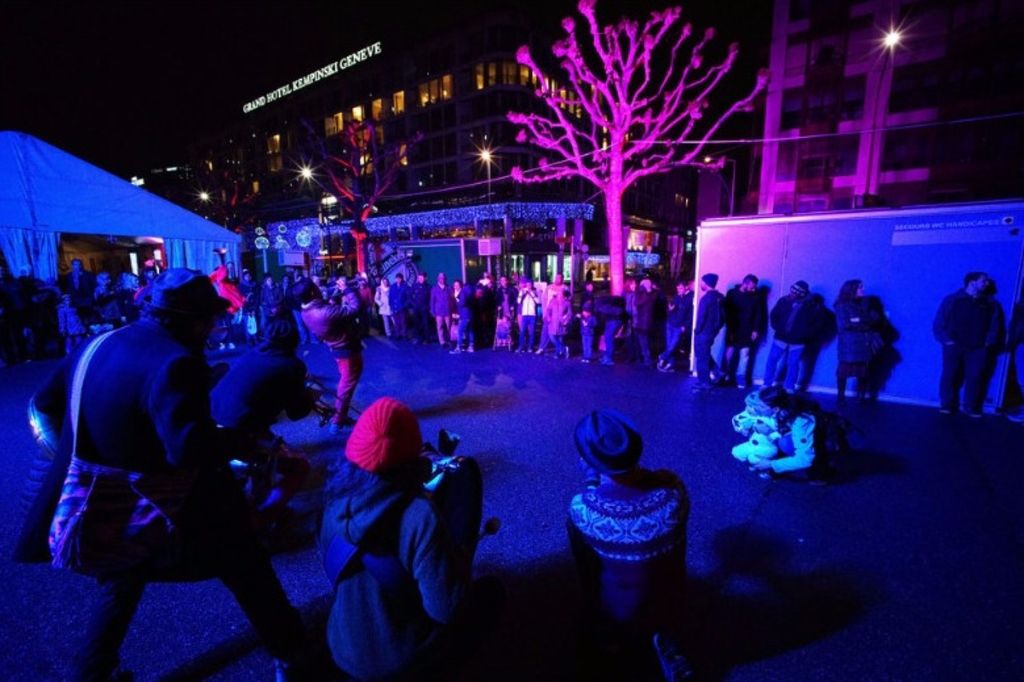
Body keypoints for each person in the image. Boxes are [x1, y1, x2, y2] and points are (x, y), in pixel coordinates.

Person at [13, 269, 311, 681]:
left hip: (96, 499)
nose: (212, 330)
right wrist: (244, 444)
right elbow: (186, 449)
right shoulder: (176, 361)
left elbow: (43, 405)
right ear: (190, 320)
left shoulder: (98, 342)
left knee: (122, 578)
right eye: (210, 320)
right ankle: (294, 654)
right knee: (247, 566)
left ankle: (92, 673)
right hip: (164, 498)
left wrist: (90, 452)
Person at [321, 397, 505, 680]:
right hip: (398, 663)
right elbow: (445, 610)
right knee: (492, 593)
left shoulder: (333, 499)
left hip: (341, 647)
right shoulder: (420, 515)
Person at [567, 410, 692, 681]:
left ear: (587, 459)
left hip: (620, 607)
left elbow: (586, 565)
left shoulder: (584, 509)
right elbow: (648, 482)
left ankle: (608, 644)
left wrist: (592, 478)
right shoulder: (673, 490)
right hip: (670, 595)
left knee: (590, 577)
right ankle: (666, 639)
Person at [210, 318, 314, 523]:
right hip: (239, 432)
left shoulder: (252, 353)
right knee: (299, 466)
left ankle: (259, 500)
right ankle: (263, 520)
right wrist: (310, 396)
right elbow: (296, 413)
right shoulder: (292, 365)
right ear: (294, 340)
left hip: (211, 424)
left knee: (266, 448)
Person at [933, 272, 1005, 417]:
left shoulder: (991, 304)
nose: (987, 284)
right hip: (954, 346)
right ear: (972, 282)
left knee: (975, 377)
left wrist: (987, 343)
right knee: (949, 375)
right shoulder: (952, 300)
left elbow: (995, 326)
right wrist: (946, 340)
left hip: (978, 348)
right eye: (983, 281)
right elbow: (939, 322)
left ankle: (970, 407)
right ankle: (946, 405)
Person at [297, 280, 365, 431]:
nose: (320, 288)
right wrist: (347, 289)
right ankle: (337, 420)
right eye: (317, 287)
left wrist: (332, 299)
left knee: (346, 382)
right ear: (313, 293)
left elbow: (328, 310)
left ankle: (339, 418)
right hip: (347, 350)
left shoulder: (305, 311)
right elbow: (356, 308)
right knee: (346, 386)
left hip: (338, 350)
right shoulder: (324, 313)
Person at [763, 280, 821, 393]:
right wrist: (777, 328)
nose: (792, 293)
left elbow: (815, 324)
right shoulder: (784, 300)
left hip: (798, 341)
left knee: (793, 364)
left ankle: (789, 387)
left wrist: (804, 335)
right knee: (772, 360)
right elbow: (774, 315)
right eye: (792, 290)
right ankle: (766, 383)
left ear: (802, 293)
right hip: (781, 337)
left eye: (795, 292)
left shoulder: (811, 306)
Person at [834, 279, 881, 404]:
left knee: (862, 371)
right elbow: (845, 325)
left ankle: (861, 396)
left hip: (862, 344)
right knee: (844, 371)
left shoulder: (864, 304)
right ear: (851, 290)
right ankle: (840, 397)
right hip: (849, 345)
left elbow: (875, 319)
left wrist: (858, 320)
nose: (863, 290)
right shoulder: (842, 306)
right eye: (860, 288)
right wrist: (862, 322)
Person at [723, 274, 766, 389]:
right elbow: (726, 310)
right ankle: (726, 375)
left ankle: (740, 377)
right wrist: (728, 325)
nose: (754, 289)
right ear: (744, 283)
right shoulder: (732, 293)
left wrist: (755, 330)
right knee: (729, 352)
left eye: (755, 287)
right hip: (733, 328)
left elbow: (758, 314)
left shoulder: (756, 296)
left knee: (744, 355)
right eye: (752, 286)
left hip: (747, 329)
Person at [692, 273, 725, 390]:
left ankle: (704, 382)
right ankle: (718, 372)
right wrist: (716, 329)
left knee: (701, 357)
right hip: (712, 332)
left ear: (706, 283)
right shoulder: (720, 297)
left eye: (702, 282)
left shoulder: (706, 299)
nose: (701, 284)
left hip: (703, 333)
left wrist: (697, 330)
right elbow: (723, 317)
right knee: (705, 355)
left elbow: (701, 317)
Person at [657, 281, 690, 373]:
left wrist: (685, 325)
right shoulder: (676, 297)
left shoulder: (690, 298)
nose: (678, 290)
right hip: (670, 323)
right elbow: (671, 309)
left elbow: (690, 314)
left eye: (680, 288)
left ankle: (662, 357)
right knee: (669, 345)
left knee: (673, 345)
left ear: (686, 287)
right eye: (677, 288)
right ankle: (671, 364)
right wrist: (670, 310)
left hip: (679, 325)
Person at [595, 292, 627, 366]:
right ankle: (607, 356)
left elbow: (602, 315)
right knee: (608, 338)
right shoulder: (612, 304)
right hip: (613, 320)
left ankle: (608, 358)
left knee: (609, 338)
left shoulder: (600, 306)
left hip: (612, 321)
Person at [430, 272, 456, 350]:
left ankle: (450, 340)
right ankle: (442, 342)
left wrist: (453, 309)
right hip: (438, 312)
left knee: (449, 327)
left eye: (444, 278)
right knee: (440, 327)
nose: (443, 279)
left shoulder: (449, 288)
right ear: (438, 279)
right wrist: (432, 311)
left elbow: (453, 299)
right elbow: (432, 301)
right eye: (441, 278)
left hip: (448, 311)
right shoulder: (434, 288)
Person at [451, 279, 476, 353]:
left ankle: (458, 348)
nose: (455, 286)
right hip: (469, 315)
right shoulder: (465, 292)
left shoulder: (462, 293)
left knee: (460, 331)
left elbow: (462, 303)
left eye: (457, 285)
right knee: (469, 330)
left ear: (460, 285)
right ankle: (471, 347)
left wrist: (457, 300)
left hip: (465, 315)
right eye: (454, 285)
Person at [516, 279, 540, 352]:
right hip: (524, 315)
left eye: (530, 285)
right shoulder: (522, 291)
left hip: (532, 315)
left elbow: (538, 302)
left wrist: (531, 293)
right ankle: (521, 347)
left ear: (532, 285)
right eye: (527, 285)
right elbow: (518, 301)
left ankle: (530, 347)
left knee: (531, 332)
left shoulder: (535, 292)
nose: (528, 286)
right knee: (522, 331)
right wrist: (522, 294)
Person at [410, 271, 432, 344]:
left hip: (424, 308)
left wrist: (429, 306)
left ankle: (427, 339)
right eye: (419, 278)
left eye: (422, 278)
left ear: (425, 278)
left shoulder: (428, 287)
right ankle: (418, 338)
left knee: (426, 324)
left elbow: (431, 298)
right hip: (416, 309)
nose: (420, 279)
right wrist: (413, 304)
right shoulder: (414, 286)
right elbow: (410, 296)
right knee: (416, 324)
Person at [389, 272, 410, 340]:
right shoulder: (392, 286)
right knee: (396, 322)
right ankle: (398, 334)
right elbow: (390, 297)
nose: (398, 279)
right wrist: (391, 306)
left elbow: (408, 298)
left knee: (403, 322)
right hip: (394, 308)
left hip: (402, 308)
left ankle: (404, 334)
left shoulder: (405, 286)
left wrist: (404, 305)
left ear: (401, 279)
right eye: (397, 278)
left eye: (399, 278)